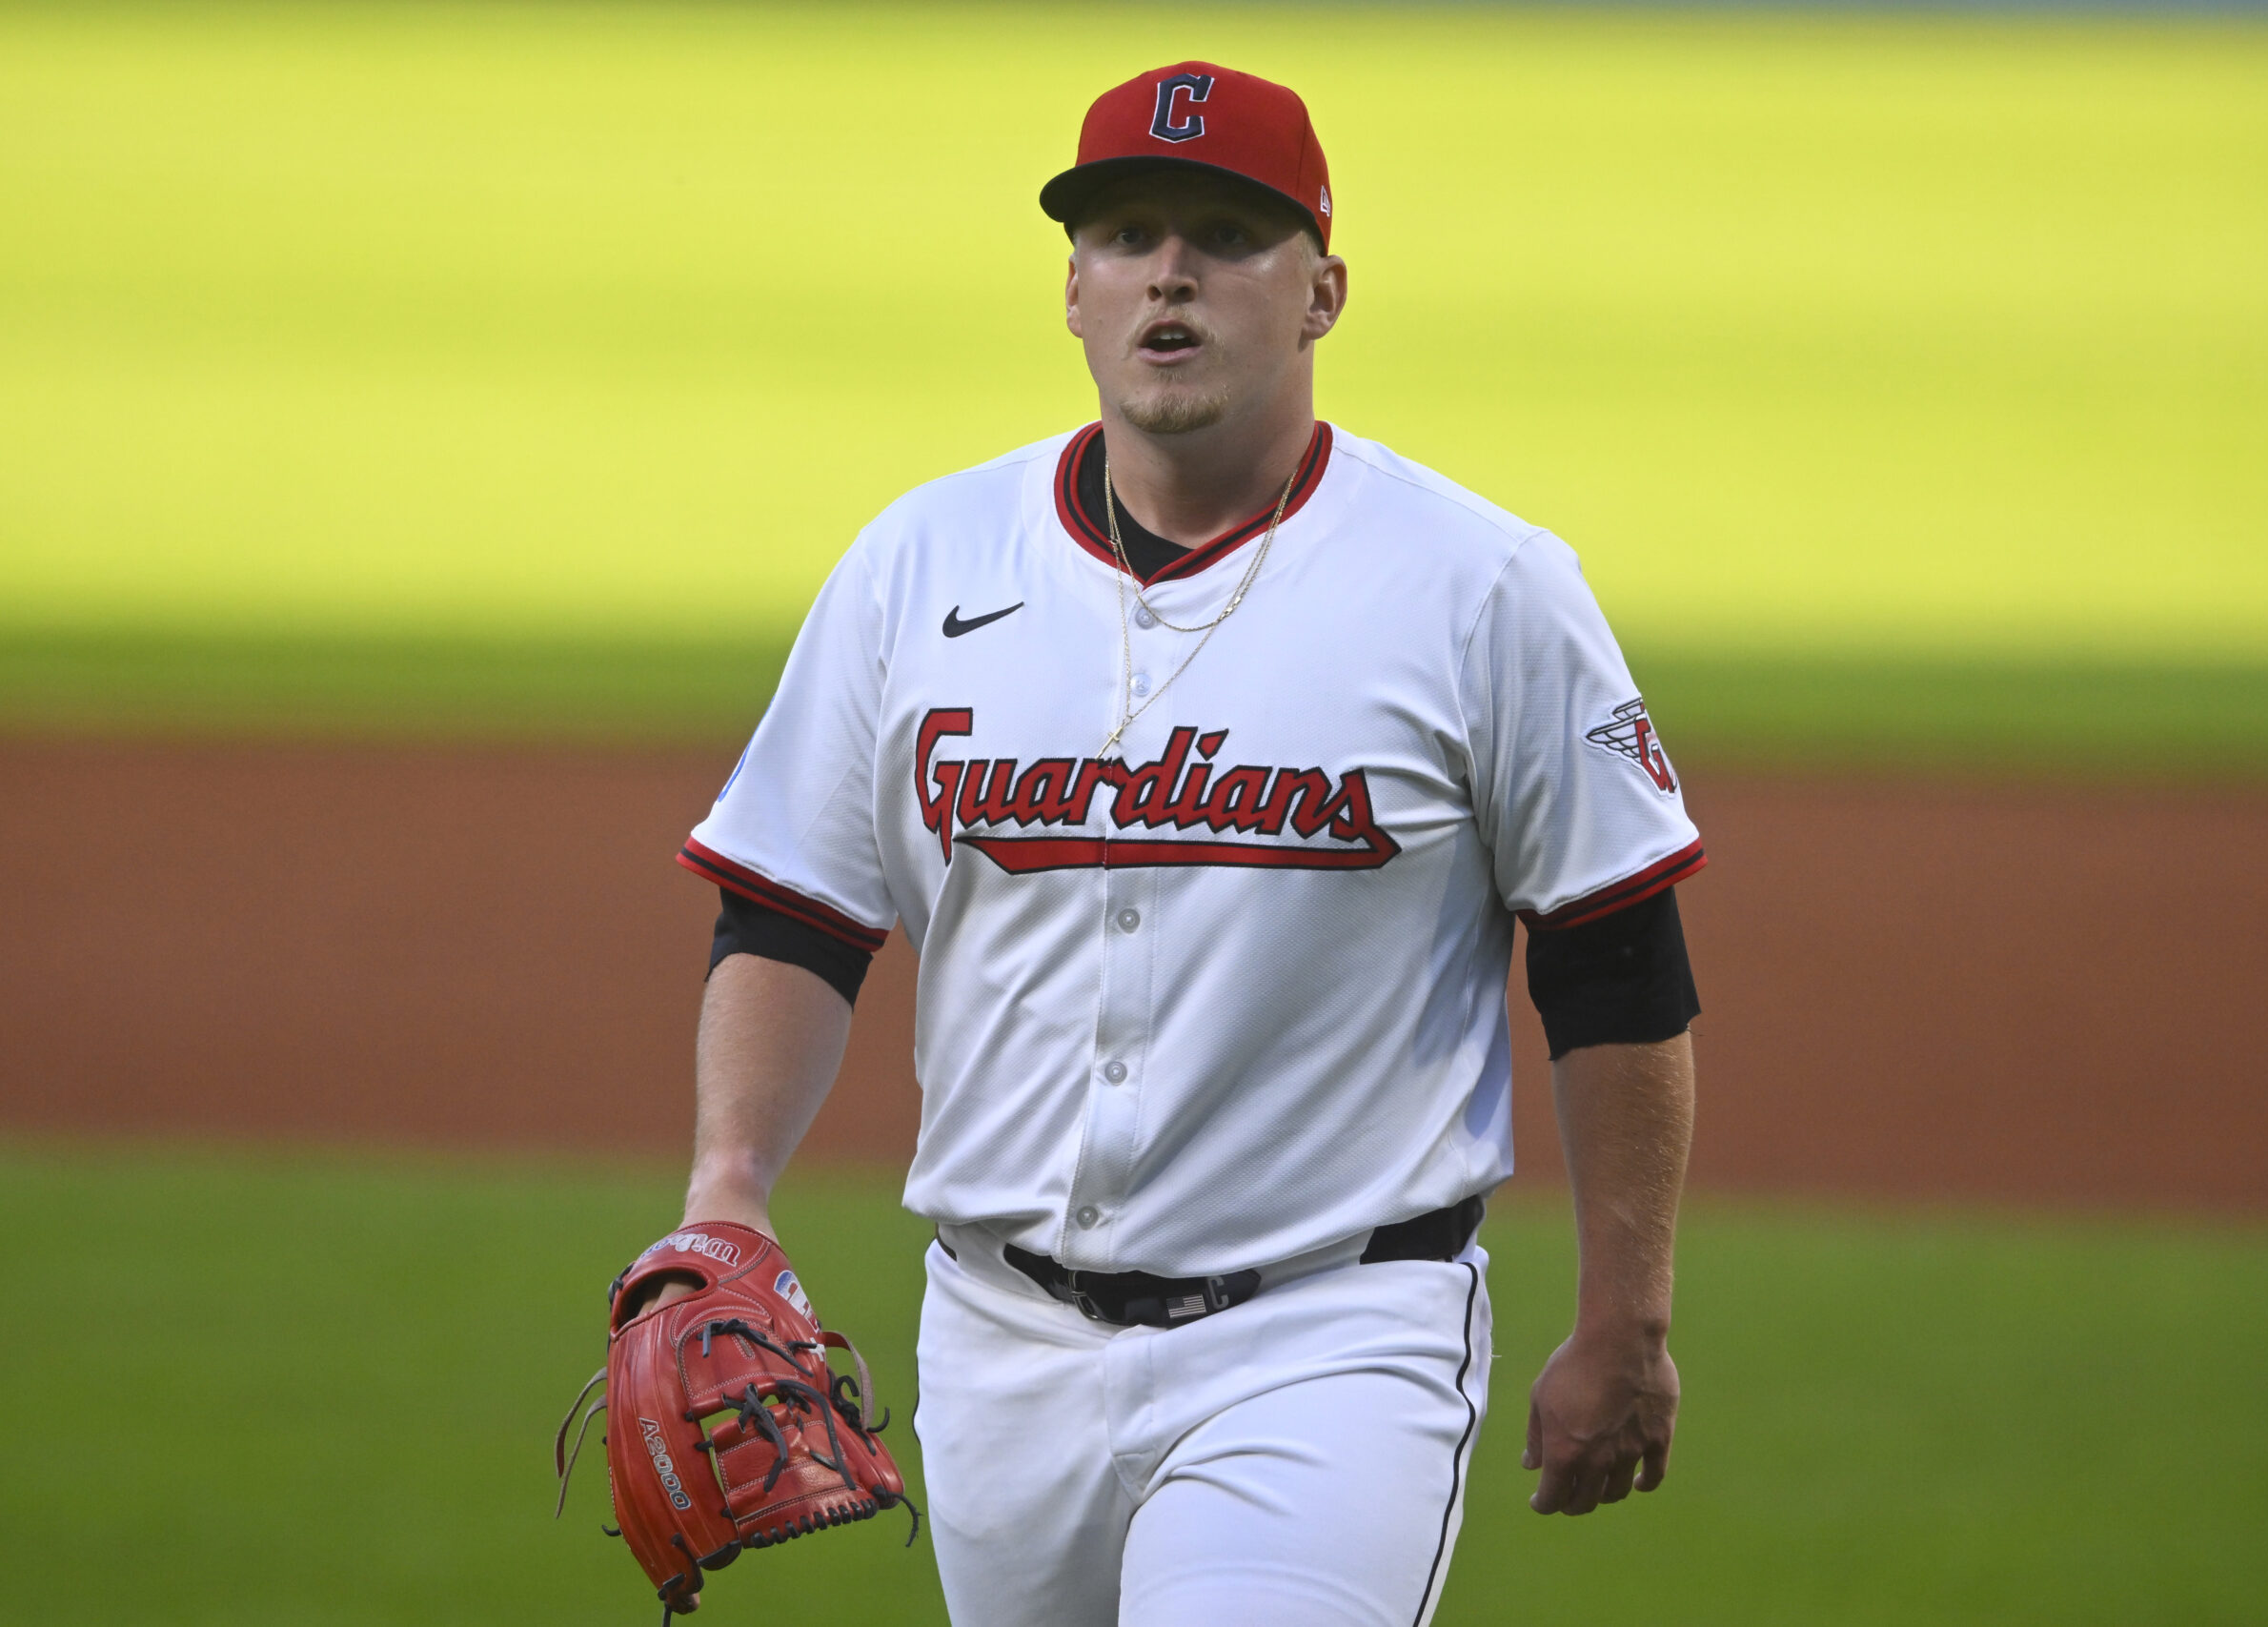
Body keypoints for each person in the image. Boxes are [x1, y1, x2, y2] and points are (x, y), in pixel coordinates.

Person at [653, 60, 1705, 1627]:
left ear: (1323, 292)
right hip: (998, 1350)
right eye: (1128, 232)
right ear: (1072, 290)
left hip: (1332, 1340)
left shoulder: (1482, 588)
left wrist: (1626, 1319)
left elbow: (1618, 960)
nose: (1172, 271)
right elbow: (798, 910)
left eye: (1228, 235)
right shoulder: (919, 562)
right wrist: (726, 1182)